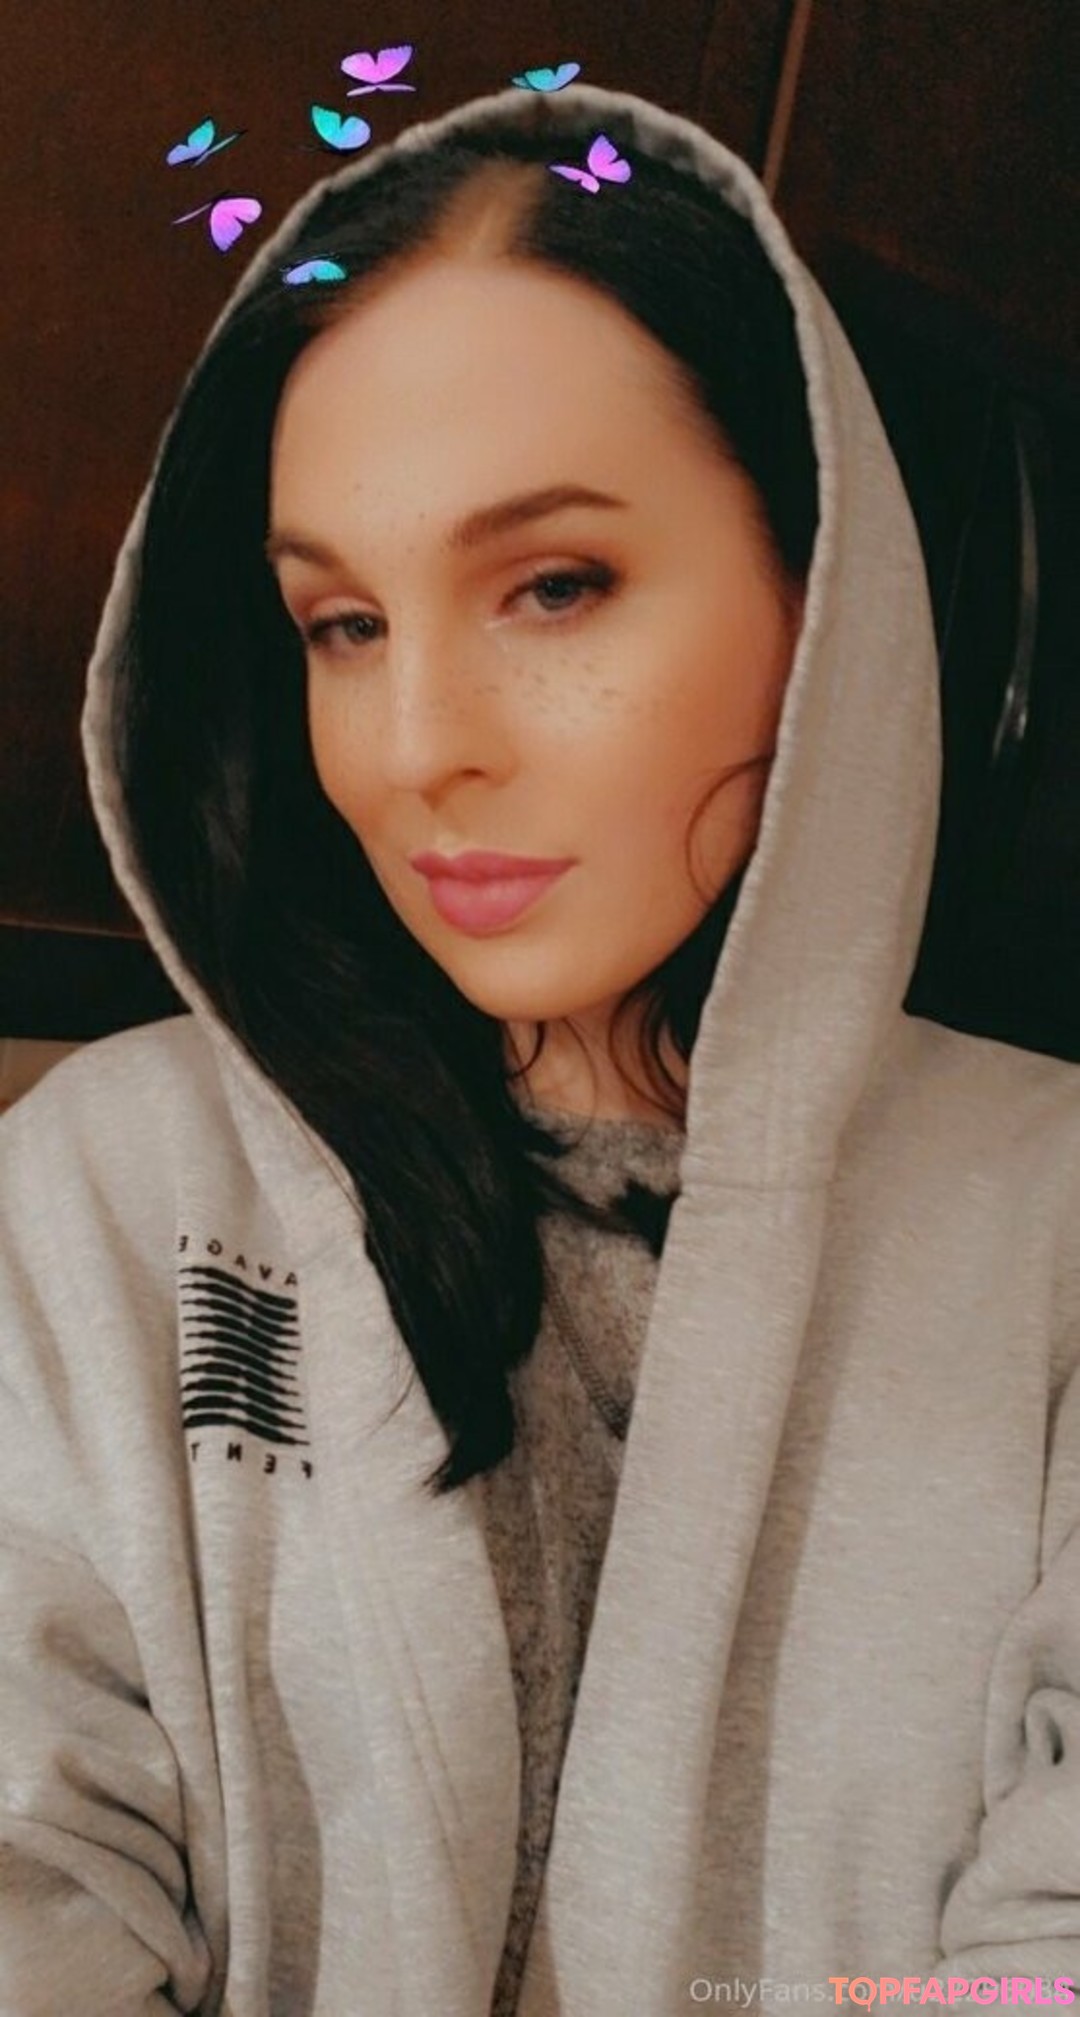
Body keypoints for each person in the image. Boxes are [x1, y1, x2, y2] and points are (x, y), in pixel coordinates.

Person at [2, 76, 1079, 2017]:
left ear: (824, 587)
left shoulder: (1055, 1227)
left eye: (555, 585)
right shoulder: (109, 1192)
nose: (419, 747)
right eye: (341, 623)